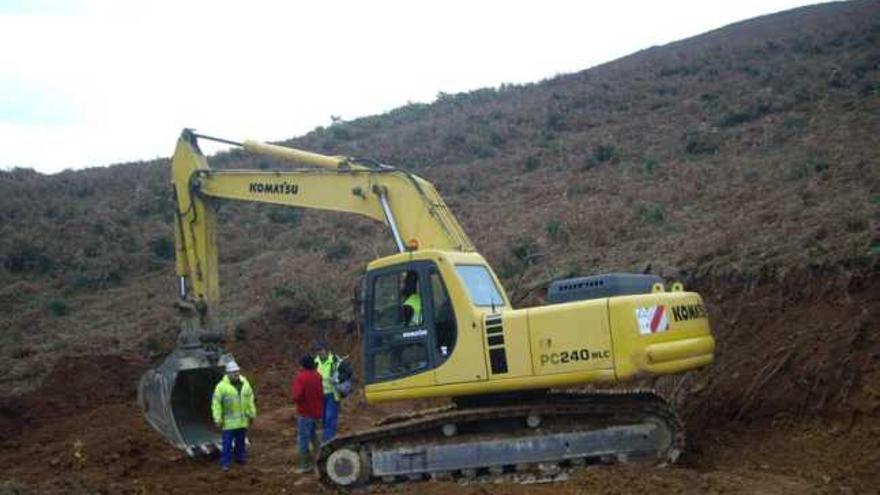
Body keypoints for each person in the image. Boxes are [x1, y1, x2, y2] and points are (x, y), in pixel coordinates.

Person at [211, 360, 257, 472]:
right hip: (228, 423)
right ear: (228, 374)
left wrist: (252, 414)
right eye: (233, 372)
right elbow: (216, 404)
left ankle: (240, 458)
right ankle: (225, 463)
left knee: (240, 442)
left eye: (237, 372)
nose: (236, 374)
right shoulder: (221, 387)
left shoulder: (245, 384)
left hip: (242, 421)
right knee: (227, 444)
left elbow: (250, 399)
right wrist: (217, 419)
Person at [291, 354, 323, 473]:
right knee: (316, 439)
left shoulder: (301, 378)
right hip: (317, 413)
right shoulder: (318, 376)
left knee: (303, 440)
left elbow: (297, 396)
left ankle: (305, 465)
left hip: (305, 413)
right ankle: (320, 463)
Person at [314, 342, 341, 442]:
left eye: (321, 350)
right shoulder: (315, 362)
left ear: (326, 350)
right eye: (317, 350)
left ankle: (328, 442)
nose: (319, 352)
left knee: (330, 418)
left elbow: (345, 373)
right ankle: (328, 439)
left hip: (333, 394)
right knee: (324, 419)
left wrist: (337, 379)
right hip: (320, 395)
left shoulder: (335, 361)